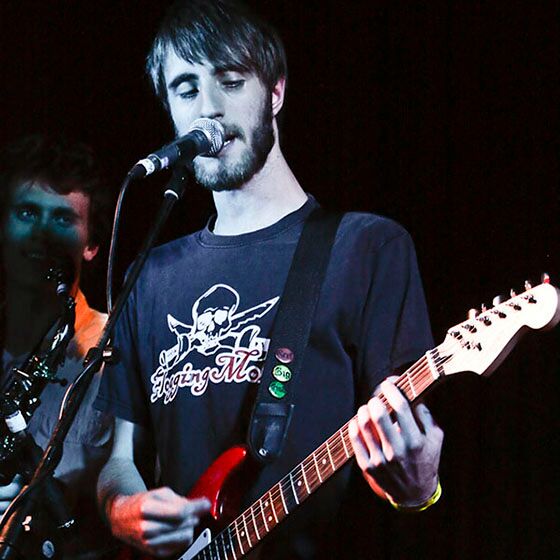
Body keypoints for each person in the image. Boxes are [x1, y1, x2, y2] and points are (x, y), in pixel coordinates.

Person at [95, 1, 444, 558]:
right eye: (186, 89)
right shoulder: (150, 274)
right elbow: (119, 461)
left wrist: (419, 486)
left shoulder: (366, 247)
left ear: (275, 92)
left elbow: (402, 448)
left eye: (231, 82)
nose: (208, 109)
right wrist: (123, 510)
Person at [0, 134, 117, 558]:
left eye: (63, 219)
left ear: (92, 245)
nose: (43, 234)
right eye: (27, 212)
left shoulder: (115, 353)